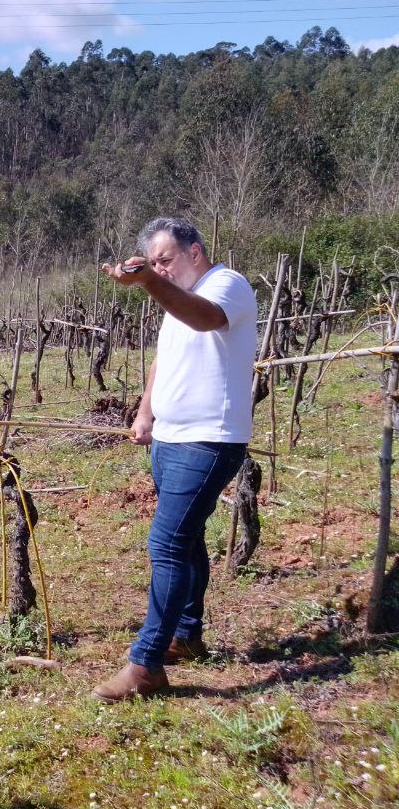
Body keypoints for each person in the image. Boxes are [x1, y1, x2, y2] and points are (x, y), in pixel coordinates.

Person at [93, 217, 257, 701]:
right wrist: (146, 412)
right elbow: (165, 360)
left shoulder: (227, 285)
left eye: (165, 260)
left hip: (209, 440)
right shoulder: (173, 301)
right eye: (154, 263)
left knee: (166, 544)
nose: (160, 270)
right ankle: (186, 634)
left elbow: (205, 318)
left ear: (194, 252)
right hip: (170, 437)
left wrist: (148, 282)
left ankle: (146, 667)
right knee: (186, 540)